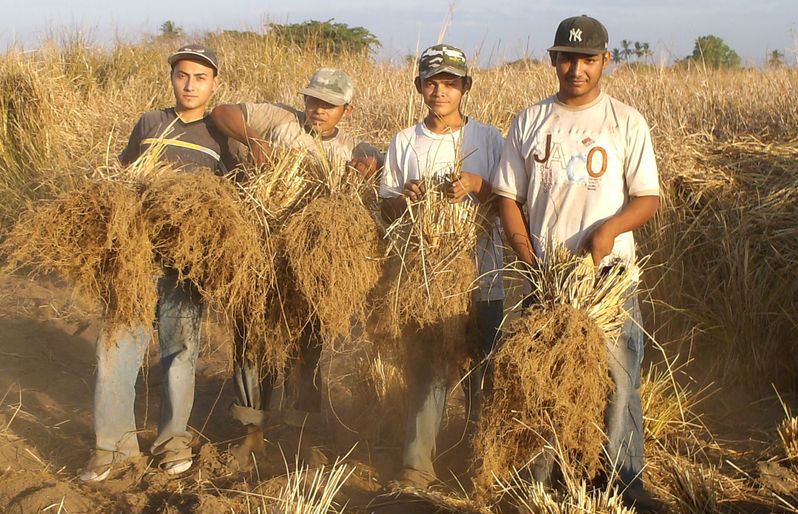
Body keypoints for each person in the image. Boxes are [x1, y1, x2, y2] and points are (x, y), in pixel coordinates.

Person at [492, 15, 660, 504]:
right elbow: (508, 196)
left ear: (606, 60)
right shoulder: (529, 121)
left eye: (588, 59)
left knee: (619, 382)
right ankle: (536, 487)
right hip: (546, 281)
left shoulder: (625, 121)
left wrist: (608, 231)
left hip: (606, 283)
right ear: (553, 60)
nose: (577, 68)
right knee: (539, 383)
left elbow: (647, 198)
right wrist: (528, 259)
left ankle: (624, 488)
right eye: (568, 58)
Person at [210, 68, 381, 465]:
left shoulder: (350, 150)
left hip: (308, 266)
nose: (317, 110)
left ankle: (301, 436)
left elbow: (381, 164)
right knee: (252, 342)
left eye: (329, 105)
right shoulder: (280, 119)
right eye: (313, 100)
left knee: (306, 347)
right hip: (262, 254)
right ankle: (252, 432)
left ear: (347, 110)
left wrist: (368, 173)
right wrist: (253, 141)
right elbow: (220, 112)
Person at [80, 45, 229, 482]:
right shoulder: (150, 123)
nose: (190, 84)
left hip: (185, 266)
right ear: (172, 79)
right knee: (115, 352)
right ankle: (112, 447)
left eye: (200, 77)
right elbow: (123, 180)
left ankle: (172, 442)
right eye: (183, 75)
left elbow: (229, 204)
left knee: (180, 354)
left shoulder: (221, 136)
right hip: (135, 259)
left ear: (214, 84)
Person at [380, 44, 505, 489]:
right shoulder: (405, 141)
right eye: (432, 81)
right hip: (429, 277)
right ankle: (417, 466)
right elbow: (387, 204)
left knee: (483, 368)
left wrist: (478, 184)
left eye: (450, 82)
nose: (440, 90)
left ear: (466, 87)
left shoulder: (489, 139)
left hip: (485, 274)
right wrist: (404, 198)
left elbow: (511, 197)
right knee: (429, 367)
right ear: (419, 87)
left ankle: (479, 463)